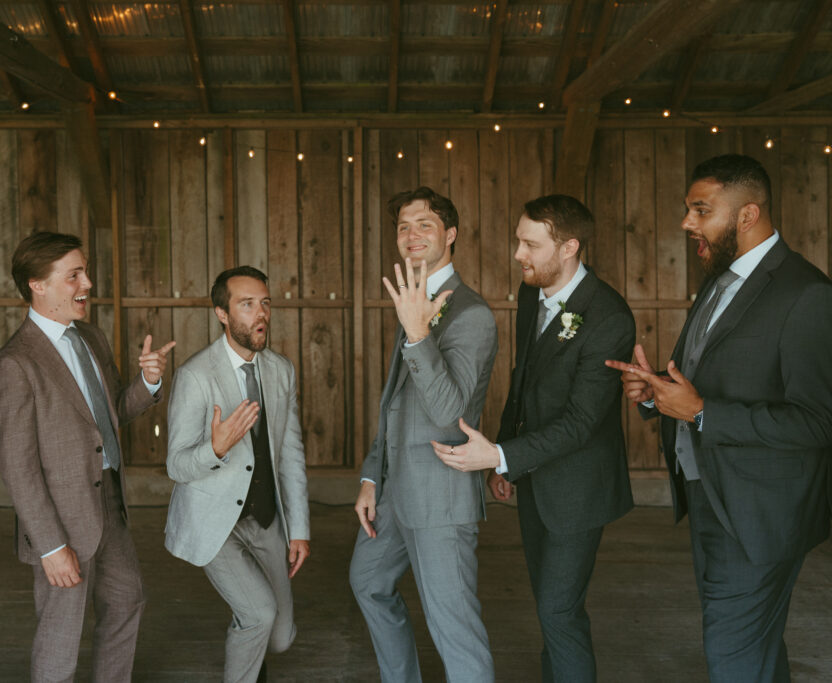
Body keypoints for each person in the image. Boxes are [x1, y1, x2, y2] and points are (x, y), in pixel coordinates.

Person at [606, 154, 832, 682]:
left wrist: (704, 414)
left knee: (732, 654)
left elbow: (818, 422)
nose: (687, 224)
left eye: (700, 211)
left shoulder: (808, 295)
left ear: (747, 214)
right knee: (753, 648)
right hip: (708, 496)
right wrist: (653, 395)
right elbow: (703, 382)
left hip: (761, 515)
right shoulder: (716, 281)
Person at [432, 195, 634, 682]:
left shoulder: (609, 318)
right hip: (534, 479)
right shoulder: (531, 293)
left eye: (530, 244)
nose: (518, 254)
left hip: (580, 489)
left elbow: (583, 421)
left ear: (569, 247)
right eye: (518, 240)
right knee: (551, 610)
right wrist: (508, 458)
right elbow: (524, 377)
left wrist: (500, 454)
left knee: (559, 612)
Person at [0, 231, 174, 682]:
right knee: (61, 631)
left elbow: (109, 416)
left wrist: (147, 384)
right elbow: (19, 468)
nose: (87, 284)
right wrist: (50, 547)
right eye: (74, 275)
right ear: (38, 284)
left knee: (128, 600)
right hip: (60, 521)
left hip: (109, 502)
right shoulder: (14, 364)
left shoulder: (90, 337)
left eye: (84, 272)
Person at [349, 187, 498, 682]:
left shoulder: (471, 313)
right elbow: (394, 402)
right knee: (368, 581)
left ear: (450, 235)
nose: (411, 235)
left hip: (439, 494)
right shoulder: (415, 296)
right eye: (403, 227)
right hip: (394, 490)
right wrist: (372, 477)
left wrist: (418, 334)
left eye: (425, 225)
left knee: (454, 626)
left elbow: (447, 408)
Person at [164, 266, 310, 683]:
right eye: (246, 304)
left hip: (265, 520)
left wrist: (299, 529)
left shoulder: (281, 371)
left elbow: (291, 456)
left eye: (265, 303)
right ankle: (249, 624)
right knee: (259, 614)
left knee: (279, 636)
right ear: (222, 314)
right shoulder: (195, 375)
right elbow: (176, 465)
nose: (260, 313)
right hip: (216, 524)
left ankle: (250, 625)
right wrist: (217, 448)